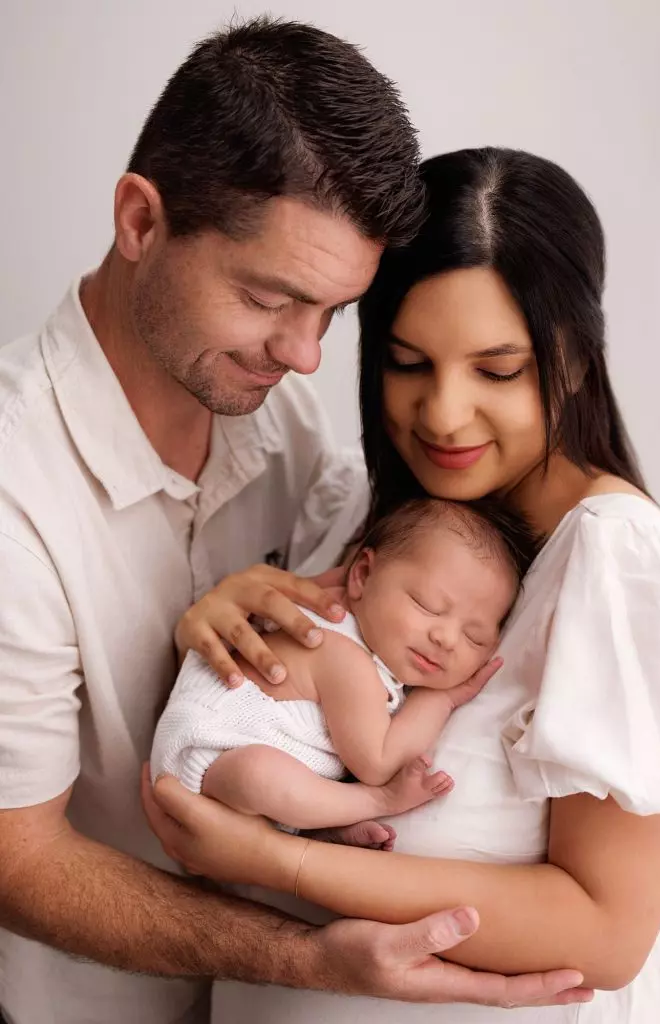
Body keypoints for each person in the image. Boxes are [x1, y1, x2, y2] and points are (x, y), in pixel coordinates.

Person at [0, 18, 584, 1024]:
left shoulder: (279, 414)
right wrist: (314, 960)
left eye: (333, 313)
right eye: (270, 298)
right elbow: (20, 856)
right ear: (140, 220)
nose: (306, 355)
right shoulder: (16, 491)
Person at [151, 147, 660, 1023]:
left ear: (576, 360)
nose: (440, 415)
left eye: (496, 370)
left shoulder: (609, 557)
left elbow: (605, 934)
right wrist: (214, 633)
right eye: (406, 362)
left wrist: (272, 861)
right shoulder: (385, 511)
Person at [151, 498, 534, 839]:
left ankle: (328, 828)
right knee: (260, 775)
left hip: (241, 772)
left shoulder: (359, 618)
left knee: (275, 779)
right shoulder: (342, 657)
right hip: (205, 762)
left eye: (475, 637)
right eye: (428, 605)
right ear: (363, 576)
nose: (447, 639)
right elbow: (378, 761)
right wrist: (444, 697)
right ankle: (370, 804)